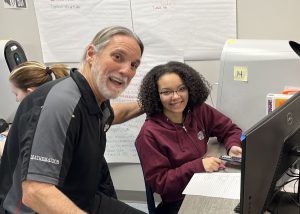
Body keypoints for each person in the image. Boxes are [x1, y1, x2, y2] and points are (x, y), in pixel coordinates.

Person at [0, 26, 146, 214]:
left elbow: (115, 113)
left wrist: (149, 103)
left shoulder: (92, 98)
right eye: (118, 57)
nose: (126, 70)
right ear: (91, 54)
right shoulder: (61, 103)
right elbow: (35, 192)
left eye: (134, 65)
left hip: (82, 198)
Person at [135, 61, 242, 214]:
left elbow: (229, 129)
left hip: (207, 184)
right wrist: (199, 167)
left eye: (181, 89)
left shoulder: (198, 110)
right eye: (166, 92)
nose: (176, 97)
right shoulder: (149, 134)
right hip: (179, 200)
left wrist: (234, 146)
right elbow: (161, 183)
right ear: (156, 96)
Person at [0, 61, 69, 157]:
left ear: (30, 93)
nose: (17, 99)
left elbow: (23, 155)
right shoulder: (56, 107)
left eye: (16, 94)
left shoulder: (44, 121)